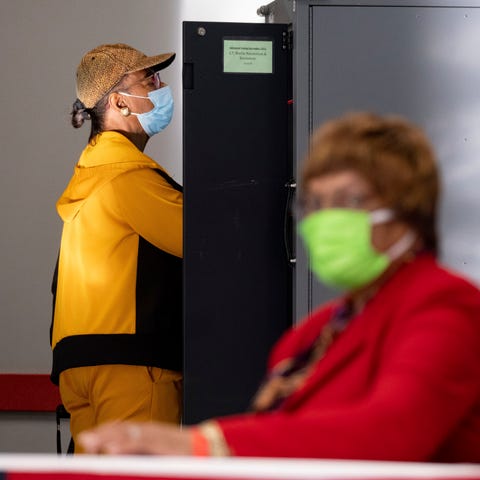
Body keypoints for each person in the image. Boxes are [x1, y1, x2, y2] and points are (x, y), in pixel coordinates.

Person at [78, 112, 480, 462]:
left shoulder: (446, 306)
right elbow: (280, 442)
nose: (326, 220)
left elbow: (393, 431)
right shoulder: (310, 336)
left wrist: (203, 443)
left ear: (408, 212)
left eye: (348, 200)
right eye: (316, 204)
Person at [50, 43, 183, 453]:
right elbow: (210, 242)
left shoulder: (90, 176)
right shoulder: (129, 177)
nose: (161, 87)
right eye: (149, 80)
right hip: (130, 366)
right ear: (119, 102)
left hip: (79, 365)